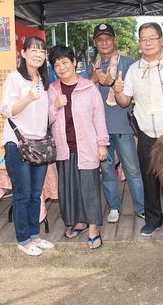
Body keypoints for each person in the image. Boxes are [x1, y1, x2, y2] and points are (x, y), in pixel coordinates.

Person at [112, 22, 163, 237]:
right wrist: (117, 89)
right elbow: (124, 102)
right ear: (139, 43)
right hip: (146, 133)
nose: (147, 43)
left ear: (161, 40)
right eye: (143, 39)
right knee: (149, 178)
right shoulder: (134, 69)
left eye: (152, 38)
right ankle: (153, 219)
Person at [81, 23, 145, 224]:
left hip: (123, 127)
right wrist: (94, 78)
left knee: (133, 170)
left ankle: (141, 208)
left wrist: (112, 84)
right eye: (100, 39)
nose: (104, 42)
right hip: (100, 131)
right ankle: (114, 207)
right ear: (95, 43)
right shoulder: (91, 68)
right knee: (107, 172)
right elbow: (80, 92)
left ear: (114, 39)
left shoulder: (129, 63)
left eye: (107, 38)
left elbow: (137, 92)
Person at [48, 45, 109, 250]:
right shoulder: (53, 90)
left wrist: (102, 145)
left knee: (89, 188)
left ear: (74, 62)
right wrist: (55, 106)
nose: (62, 67)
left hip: (88, 147)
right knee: (69, 189)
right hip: (64, 149)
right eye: (57, 64)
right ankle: (79, 222)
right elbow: (45, 120)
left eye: (65, 62)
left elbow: (99, 118)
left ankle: (93, 228)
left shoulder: (88, 88)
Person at [0, 36, 54, 256]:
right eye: (33, 50)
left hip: (39, 145)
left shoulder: (43, 80)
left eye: (41, 51)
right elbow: (6, 110)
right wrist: (28, 97)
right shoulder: (14, 78)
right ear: (22, 54)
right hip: (18, 144)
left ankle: (34, 236)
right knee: (22, 194)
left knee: (34, 194)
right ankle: (23, 240)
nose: (38, 54)